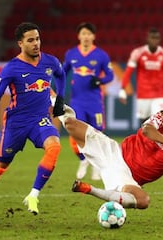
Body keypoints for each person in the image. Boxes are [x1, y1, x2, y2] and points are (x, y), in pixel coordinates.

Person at [0, 22, 66, 226]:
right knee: (0, 166)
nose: (36, 44)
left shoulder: (50, 62)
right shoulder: (11, 68)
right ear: (20, 43)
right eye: (30, 40)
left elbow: (61, 74)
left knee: (55, 146)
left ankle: (33, 194)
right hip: (16, 124)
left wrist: (60, 99)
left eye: (37, 39)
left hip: (40, 120)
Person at [63, 22, 114, 180]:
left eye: (88, 34)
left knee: (97, 133)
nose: (86, 36)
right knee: (75, 132)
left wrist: (100, 80)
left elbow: (110, 75)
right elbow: (62, 72)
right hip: (77, 101)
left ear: (93, 36)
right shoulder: (71, 54)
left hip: (94, 102)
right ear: (79, 36)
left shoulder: (101, 55)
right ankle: (83, 159)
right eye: (83, 34)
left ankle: (97, 166)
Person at [119, 27, 163, 125]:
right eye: (152, 38)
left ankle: (157, 141)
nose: (154, 40)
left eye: (157, 38)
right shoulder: (138, 53)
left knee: (160, 123)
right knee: (145, 124)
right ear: (147, 39)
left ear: (159, 40)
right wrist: (122, 89)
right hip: (143, 94)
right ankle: (144, 141)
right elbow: (128, 72)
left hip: (159, 94)